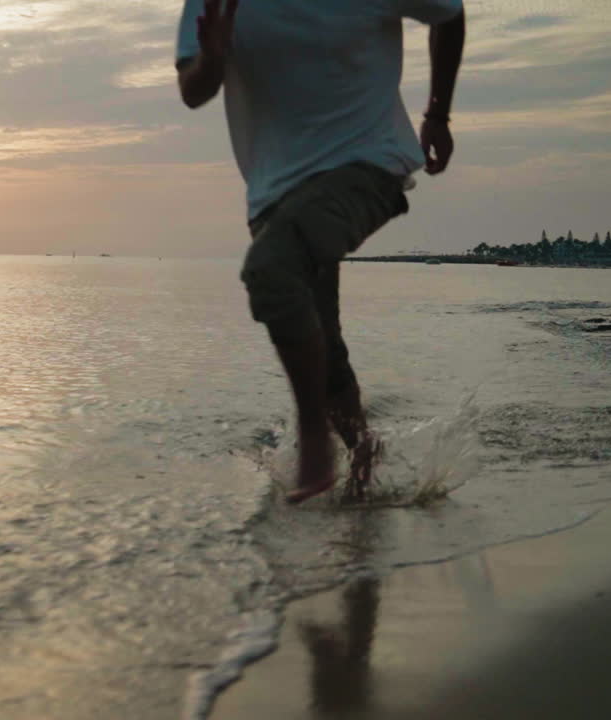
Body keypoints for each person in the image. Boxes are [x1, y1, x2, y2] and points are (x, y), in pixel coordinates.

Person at [175, 0, 465, 503]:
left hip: (366, 164)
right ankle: (363, 466)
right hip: (274, 192)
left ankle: (314, 438)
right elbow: (192, 89)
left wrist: (437, 114)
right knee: (322, 345)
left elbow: (449, 13)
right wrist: (213, 61)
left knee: (270, 271)